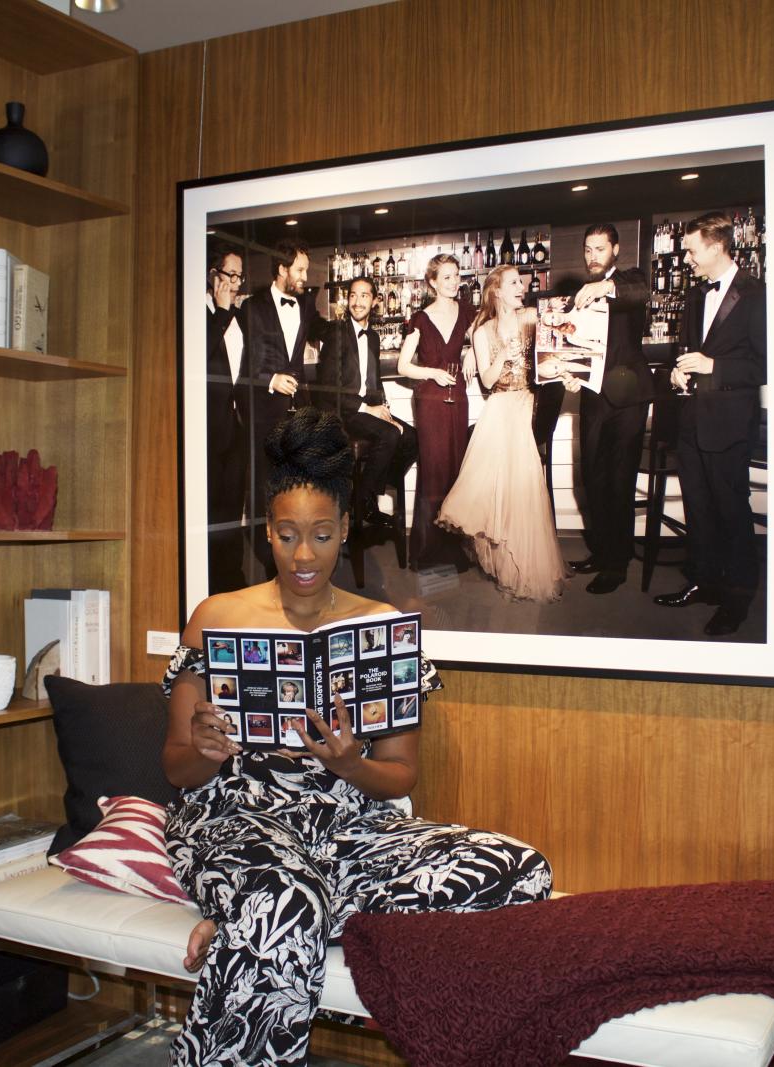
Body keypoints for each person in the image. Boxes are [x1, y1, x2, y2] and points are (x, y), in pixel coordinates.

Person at [161, 408, 552, 1067]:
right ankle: (272, 907)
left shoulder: (381, 627)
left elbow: (400, 775)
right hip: (237, 819)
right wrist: (202, 749)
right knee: (285, 900)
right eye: (287, 535)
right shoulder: (216, 617)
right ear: (268, 531)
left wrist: (350, 764)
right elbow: (175, 768)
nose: (303, 555)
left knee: (519, 871)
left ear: (345, 528)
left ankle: (251, 919)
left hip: (349, 829)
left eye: (320, 535)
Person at [655, 211, 767, 635]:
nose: (686, 259)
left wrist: (713, 366)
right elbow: (688, 350)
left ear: (717, 247)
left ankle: (737, 600)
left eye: (691, 250)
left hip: (729, 424)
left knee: (731, 513)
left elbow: (765, 364)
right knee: (698, 509)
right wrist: (677, 371)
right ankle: (704, 582)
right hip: (692, 422)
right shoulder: (696, 295)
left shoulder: (756, 295)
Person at [436, 264, 569, 601]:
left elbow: (557, 339)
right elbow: (486, 380)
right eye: (513, 283)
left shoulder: (531, 318)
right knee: (496, 463)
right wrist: (501, 354)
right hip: (500, 401)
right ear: (496, 290)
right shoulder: (483, 332)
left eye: (521, 283)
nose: (521, 288)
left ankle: (525, 561)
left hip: (529, 402)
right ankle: (503, 559)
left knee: (517, 461)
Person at [567, 224, 652, 594]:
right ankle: (603, 552)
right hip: (593, 398)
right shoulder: (580, 295)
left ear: (615, 249)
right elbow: (574, 346)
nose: (592, 257)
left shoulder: (629, 279)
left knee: (619, 481)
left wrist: (603, 287)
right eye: (587, 249)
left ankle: (617, 565)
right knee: (593, 479)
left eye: (599, 249)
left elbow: (640, 291)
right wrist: (570, 374)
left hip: (628, 400)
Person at [314, 275, 416, 526]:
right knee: (390, 435)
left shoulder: (373, 337)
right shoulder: (336, 332)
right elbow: (328, 388)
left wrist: (385, 409)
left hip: (364, 408)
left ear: (375, 301)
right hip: (342, 411)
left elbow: (374, 380)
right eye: (353, 295)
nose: (357, 302)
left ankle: (364, 493)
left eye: (364, 296)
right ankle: (362, 503)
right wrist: (368, 409)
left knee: (412, 437)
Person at [242, 240, 317, 573]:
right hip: (264, 411)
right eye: (300, 269)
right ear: (282, 269)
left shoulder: (305, 304)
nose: (305, 276)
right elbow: (240, 365)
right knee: (266, 487)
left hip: (298, 410)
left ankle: (295, 558)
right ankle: (267, 561)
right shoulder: (252, 308)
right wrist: (270, 379)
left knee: (296, 486)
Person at [397, 254, 475, 569]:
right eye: (446, 277)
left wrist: (472, 352)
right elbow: (403, 366)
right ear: (432, 282)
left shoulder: (467, 311)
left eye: (456, 275)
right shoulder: (420, 318)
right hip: (430, 399)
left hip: (458, 396)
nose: (454, 282)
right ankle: (428, 551)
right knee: (433, 470)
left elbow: (483, 338)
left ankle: (454, 549)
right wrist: (432, 372)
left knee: (456, 468)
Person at [206, 247, 249, 593]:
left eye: (239, 276)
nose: (235, 283)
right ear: (213, 275)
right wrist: (220, 312)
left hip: (237, 423)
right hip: (209, 427)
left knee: (233, 507)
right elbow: (199, 355)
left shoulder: (239, 316)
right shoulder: (202, 314)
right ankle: (212, 583)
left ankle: (232, 579)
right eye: (229, 274)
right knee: (212, 508)